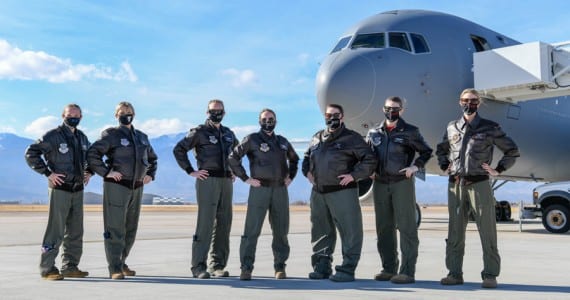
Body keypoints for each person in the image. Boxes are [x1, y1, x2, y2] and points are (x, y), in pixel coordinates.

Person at [436, 88, 519, 289]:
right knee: (455, 231)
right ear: (459, 102)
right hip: (456, 184)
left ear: (479, 103)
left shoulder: (490, 127)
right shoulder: (452, 127)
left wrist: (498, 169)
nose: (469, 104)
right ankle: (454, 273)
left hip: (479, 184)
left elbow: (512, 150)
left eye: (473, 101)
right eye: (465, 100)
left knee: (487, 231)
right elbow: (442, 149)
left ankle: (490, 275)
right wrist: (443, 165)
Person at [302, 103, 377, 282]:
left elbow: (370, 159)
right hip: (319, 192)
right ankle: (321, 267)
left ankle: (347, 269)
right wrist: (307, 172)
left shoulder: (352, 138)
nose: (332, 118)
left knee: (350, 231)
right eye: (329, 115)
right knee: (320, 231)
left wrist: (354, 175)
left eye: (336, 114)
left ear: (342, 117)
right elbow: (306, 157)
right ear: (325, 116)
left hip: (342, 192)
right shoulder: (316, 137)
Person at [87, 101, 158, 280]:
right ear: (116, 115)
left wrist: (151, 173)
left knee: (130, 229)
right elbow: (93, 154)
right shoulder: (111, 135)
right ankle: (114, 268)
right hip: (117, 186)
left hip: (137, 187)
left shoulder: (142, 137)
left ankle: (122, 261)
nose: (125, 114)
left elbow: (152, 158)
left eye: (129, 111)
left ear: (134, 114)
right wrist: (106, 172)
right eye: (122, 111)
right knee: (115, 228)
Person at [366, 96, 432, 284]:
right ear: (383, 109)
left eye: (395, 108)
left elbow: (426, 151)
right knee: (384, 228)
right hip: (380, 183)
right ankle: (388, 268)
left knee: (406, 227)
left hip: (401, 182)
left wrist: (415, 167)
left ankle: (407, 271)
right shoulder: (373, 132)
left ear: (401, 110)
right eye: (388, 108)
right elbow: (367, 155)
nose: (391, 111)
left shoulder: (410, 131)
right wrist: (368, 170)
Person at [228, 108, 299, 281]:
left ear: (276, 120)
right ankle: (246, 268)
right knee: (251, 231)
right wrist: (245, 178)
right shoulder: (252, 139)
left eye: (271, 118)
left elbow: (295, 159)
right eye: (265, 119)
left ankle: (280, 267)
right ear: (259, 121)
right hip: (259, 189)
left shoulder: (282, 141)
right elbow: (233, 158)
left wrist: (291, 176)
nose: (268, 121)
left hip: (280, 190)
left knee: (281, 231)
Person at [24, 103, 92, 280]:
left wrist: (89, 171)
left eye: (77, 114)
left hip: (77, 189)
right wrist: (48, 173)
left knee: (75, 231)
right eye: (70, 114)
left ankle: (70, 266)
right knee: (56, 229)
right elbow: (31, 153)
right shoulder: (53, 136)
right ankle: (47, 268)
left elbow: (93, 156)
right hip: (60, 189)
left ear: (81, 117)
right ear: (63, 116)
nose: (74, 117)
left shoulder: (82, 138)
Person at [173, 99, 238, 279]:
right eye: (212, 110)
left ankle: (217, 265)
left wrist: (235, 171)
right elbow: (179, 149)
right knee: (205, 224)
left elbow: (237, 153)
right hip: (207, 180)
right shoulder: (199, 132)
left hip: (226, 181)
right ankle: (198, 266)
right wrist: (190, 171)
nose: (215, 113)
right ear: (206, 112)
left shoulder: (229, 134)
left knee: (224, 223)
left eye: (219, 111)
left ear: (224, 113)